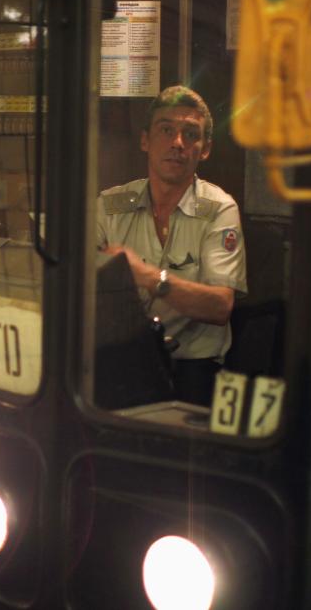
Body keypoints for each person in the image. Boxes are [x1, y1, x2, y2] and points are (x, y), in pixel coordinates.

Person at [97, 85, 248, 405]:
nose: (177, 143)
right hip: (123, 363)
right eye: (166, 130)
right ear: (145, 140)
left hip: (194, 371)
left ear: (204, 149)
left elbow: (220, 306)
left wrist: (147, 276)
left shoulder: (219, 209)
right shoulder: (110, 205)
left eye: (190, 134)